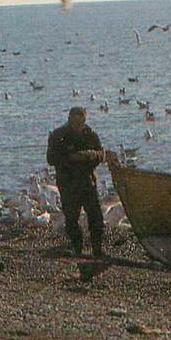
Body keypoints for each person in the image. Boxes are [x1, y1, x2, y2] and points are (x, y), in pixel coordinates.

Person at [47, 107, 106, 259]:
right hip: (68, 184)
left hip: (88, 182)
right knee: (72, 219)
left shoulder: (90, 135)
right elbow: (51, 159)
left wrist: (93, 156)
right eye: (76, 122)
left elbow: (101, 153)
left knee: (96, 217)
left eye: (82, 122)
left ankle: (97, 249)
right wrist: (72, 158)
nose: (79, 125)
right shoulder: (58, 136)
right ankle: (78, 249)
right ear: (69, 119)